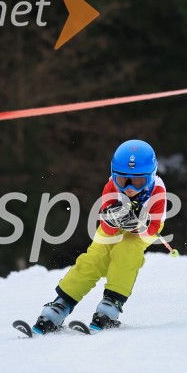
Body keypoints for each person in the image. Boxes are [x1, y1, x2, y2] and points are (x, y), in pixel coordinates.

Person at [31, 139, 167, 334]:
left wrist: (137, 226)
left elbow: (153, 228)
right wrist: (112, 222)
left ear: (151, 176)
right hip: (115, 225)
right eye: (122, 180)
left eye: (138, 181)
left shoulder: (158, 192)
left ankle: (111, 303)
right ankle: (62, 303)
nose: (129, 188)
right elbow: (107, 228)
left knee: (126, 251)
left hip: (145, 228)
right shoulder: (111, 187)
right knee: (95, 259)